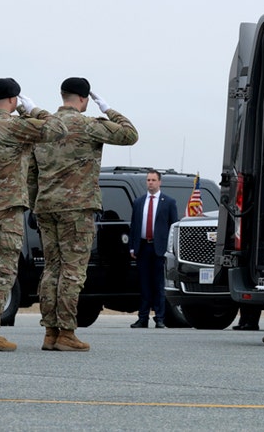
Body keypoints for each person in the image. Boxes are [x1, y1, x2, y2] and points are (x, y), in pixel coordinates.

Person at [30, 77, 138, 351]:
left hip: (46, 207)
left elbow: (31, 173)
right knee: (72, 271)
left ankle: (50, 332)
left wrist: (35, 203)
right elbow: (130, 134)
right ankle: (66, 333)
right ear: (84, 98)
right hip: (76, 208)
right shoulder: (88, 125)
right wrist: (108, 110)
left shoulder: (45, 126)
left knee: (52, 269)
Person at [0, 78, 66, 351]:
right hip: (5, 208)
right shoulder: (13, 125)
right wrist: (33, 110)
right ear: (13, 99)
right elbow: (58, 129)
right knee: (2, 269)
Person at [128, 169, 179, 328]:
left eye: (153, 180)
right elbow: (134, 226)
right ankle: (143, 318)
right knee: (144, 285)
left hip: (159, 249)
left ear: (159, 182)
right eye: (148, 180)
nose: (150, 183)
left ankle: (160, 318)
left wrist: (171, 250)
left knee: (158, 285)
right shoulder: (139, 202)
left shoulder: (168, 202)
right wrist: (132, 247)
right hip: (143, 247)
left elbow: (173, 226)